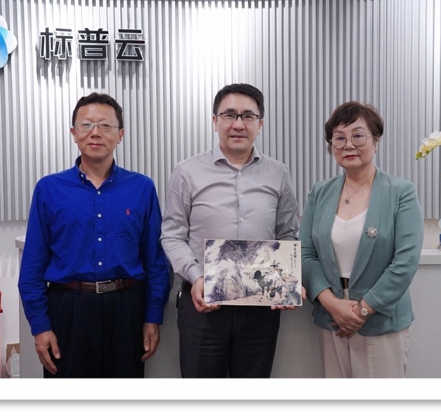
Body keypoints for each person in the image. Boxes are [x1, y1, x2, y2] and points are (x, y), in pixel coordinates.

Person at [18, 92, 172, 378]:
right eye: (87, 125)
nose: (96, 132)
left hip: (126, 309)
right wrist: (40, 325)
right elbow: (32, 266)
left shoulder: (142, 188)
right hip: (68, 310)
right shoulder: (49, 189)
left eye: (105, 125)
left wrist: (153, 316)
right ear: (74, 133)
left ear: (120, 134)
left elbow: (154, 260)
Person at [160, 83, 301, 378]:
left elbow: (287, 235)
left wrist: (288, 280)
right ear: (215, 121)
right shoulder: (187, 172)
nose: (238, 124)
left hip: (260, 306)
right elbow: (172, 235)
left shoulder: (278, 173)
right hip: (203, 304)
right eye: (229, 115)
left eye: (248, 116)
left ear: (260, 124)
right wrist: (196, 277)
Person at [300, 100, 423, 378]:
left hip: (381, 321)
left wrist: (362, 312)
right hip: (331, 318)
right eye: (339, 138)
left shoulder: (401, 192)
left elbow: (405, 262)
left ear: (376, 140)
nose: (348, 145)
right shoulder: (319, 192)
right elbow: (307, 253)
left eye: (358, 135)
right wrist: (331, 304)